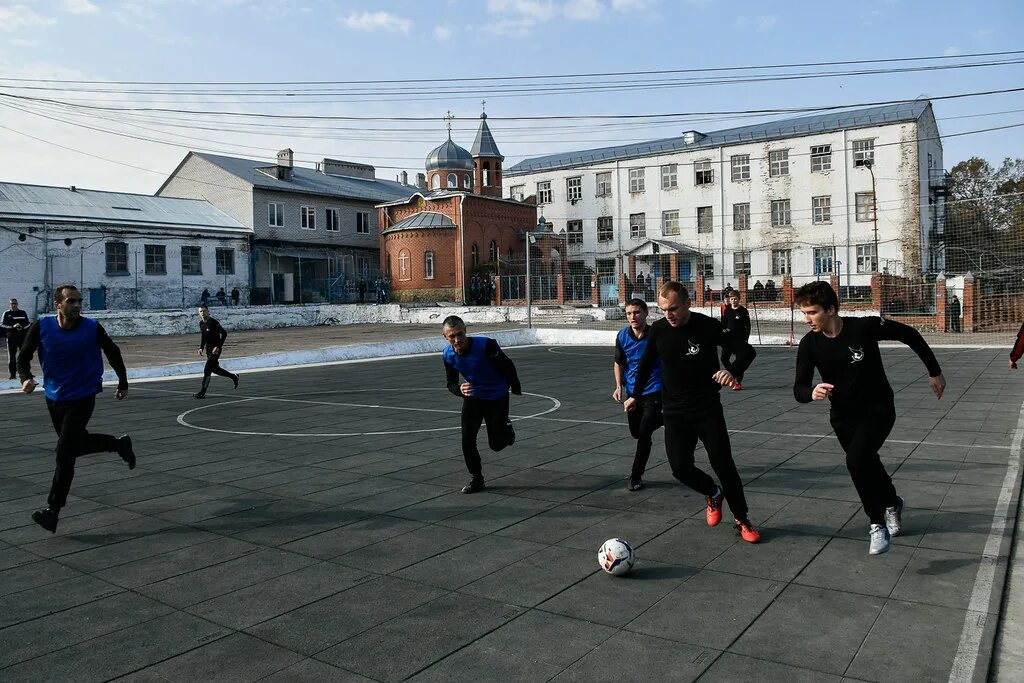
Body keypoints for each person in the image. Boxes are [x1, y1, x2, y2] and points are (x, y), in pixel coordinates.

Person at [793, 281, 945, 556]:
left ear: (830, 309)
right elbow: (799, 388)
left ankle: (877, 525)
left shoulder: (862, 328)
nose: (807, 320)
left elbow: (909, 334)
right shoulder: (809, 344)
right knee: (867, 463)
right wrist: (811, 390)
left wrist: (934, 371)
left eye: (812, 312)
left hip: (878, 410)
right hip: (842, 417)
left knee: (855, 461)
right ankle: (892, 503)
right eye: (803, 313)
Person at [625, 281, 761, 543]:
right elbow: (645, 365)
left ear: (688, 303)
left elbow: (747, 351)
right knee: (679, 468)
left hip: (707, 410)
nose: (669, 315)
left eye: (674, 308)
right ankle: (712, 492)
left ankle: (742, 519)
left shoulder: (707, 326)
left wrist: (732, 371)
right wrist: (635, 395)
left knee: (724, 465)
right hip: (674, 413)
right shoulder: (659, 331)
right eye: (663, 310)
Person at [17, 285, 135, 534]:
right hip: (54, 396)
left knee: (64, 451)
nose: (77, 306)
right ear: (58, 304)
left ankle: (53, 511)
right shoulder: (43, 326)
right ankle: (118, 444)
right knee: (74, 445)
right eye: (71, 301)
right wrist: (25, 377)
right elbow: (23, 355)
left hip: (83, 395)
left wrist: (123, 381)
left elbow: (113, 351)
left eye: (79, 301)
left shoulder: (92, 328)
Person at [442, 315, 521, 494]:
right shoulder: (447, 354)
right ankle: (477, 479)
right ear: (445, 337)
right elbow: (450, 383)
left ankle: (507, 431)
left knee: (496, 445)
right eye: (452, 336)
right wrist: (459, 389)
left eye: (460, 333)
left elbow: (508, 365)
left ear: (465, 331)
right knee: (467, 441)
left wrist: (515, 386)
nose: (457, 339)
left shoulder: (486, 346)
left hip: (497, 396)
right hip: (474, 398)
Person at [614, 298, 663, 491]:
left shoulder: (656, 335)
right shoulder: (622, 336)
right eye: (628, 313)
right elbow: (619, 362)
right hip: (632, 392)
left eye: (636, 312)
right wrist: (619, 386)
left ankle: (636, 476)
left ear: (645, 313)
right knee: (636, 432)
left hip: (654, 391)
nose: (632, 317)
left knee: (643, 435)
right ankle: (662, 419)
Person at [194, 304, 239, 399]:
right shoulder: (201, 323)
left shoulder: (213, 322)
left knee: (207, 370)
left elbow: (224, 333)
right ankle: (233, 377)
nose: (202, 313)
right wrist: (201, 347)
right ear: (199, 313)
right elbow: (203, 337)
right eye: (201, 311)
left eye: (204, 311)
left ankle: (202, 392)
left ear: (208, 311)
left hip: (216, 350)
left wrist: (218, 346)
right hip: (208, 350)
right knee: (215, 369)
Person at [720, 291, 751, 390]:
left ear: (739, 299)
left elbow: (748, 326)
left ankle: (738, 381)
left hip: (740, 340)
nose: (733, 301)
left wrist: (745, 339)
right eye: (732, 299)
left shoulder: (743, 311)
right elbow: (723, 323)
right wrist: (723, 333)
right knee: (724, 358)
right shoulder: (727, 310)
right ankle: (732, 374)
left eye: (735, 299)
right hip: (728, 340)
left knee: (739, 361)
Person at [3, 297, 30, 379]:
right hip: (11, 338)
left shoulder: (22, 313)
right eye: (12, 304)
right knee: (12, 357)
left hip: (22, 337)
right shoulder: (6, 313)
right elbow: (2, 325)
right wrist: (13, 326)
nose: (13, 305)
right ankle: (13, 375)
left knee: (25, 355)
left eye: (15, 303)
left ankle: (26, 373)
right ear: (9, 304)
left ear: (17, 304)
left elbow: (28, 324)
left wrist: (22, 327)